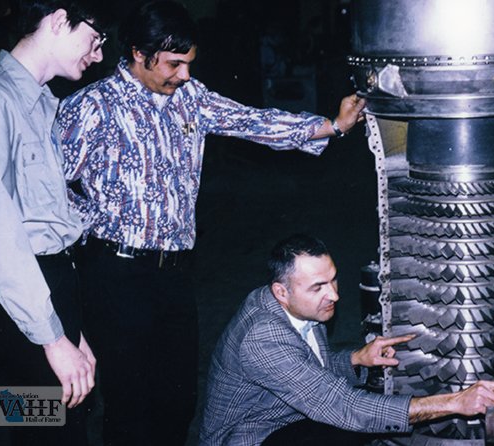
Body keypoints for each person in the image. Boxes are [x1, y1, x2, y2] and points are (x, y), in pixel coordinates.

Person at [53, 1, 365, 444]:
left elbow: (251, 121)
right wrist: (92, 222)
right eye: (174, 64)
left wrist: (332, 126)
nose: (183, 75)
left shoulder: (190, 98)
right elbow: (47, 189)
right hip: (116, 275)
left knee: (178, 398)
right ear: (140, 54)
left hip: (176, 273)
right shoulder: (90, 107)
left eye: (188, 64)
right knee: (130, 401)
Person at [0, 0, 107, 444]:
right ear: (60, 20)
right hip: (14, 299)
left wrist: (68, 330)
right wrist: (53, 339)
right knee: (37, 428)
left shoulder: (40, 104)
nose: (98, 54)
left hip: (46, 287)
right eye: (95, 39)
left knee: (57, 423)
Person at [199, 234, 494, 445]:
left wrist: (355, 359)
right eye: (318, 286)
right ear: (282, 291)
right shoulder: (263, 338)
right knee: (358, 424)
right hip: (251, 435)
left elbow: (307, 369)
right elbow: (343, 406)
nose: (333, 294)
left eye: (333, 279)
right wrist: (454, 402)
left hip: (283, 417)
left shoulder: (295, 304)